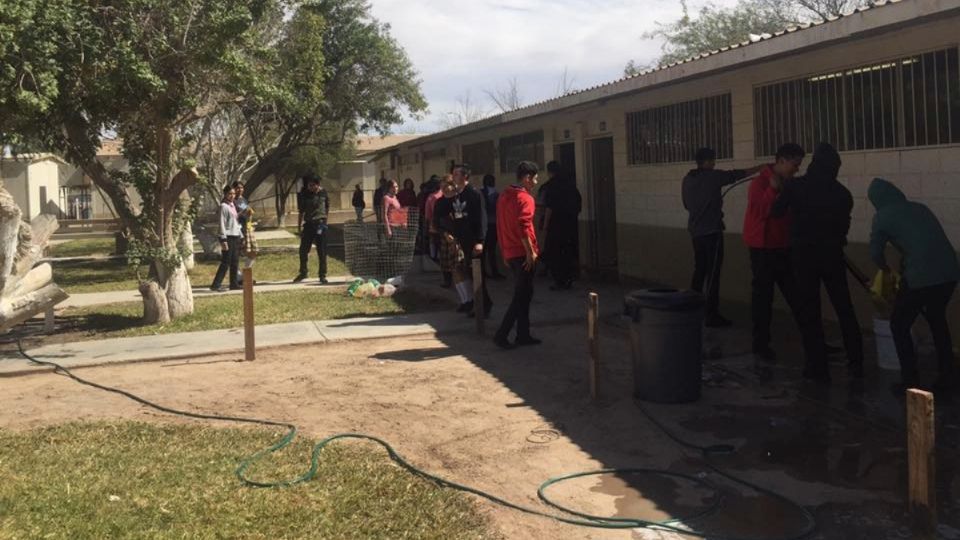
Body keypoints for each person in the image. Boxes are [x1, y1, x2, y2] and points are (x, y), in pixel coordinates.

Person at [771, 142, 863, 382]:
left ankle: (816, 367)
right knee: (844, 307)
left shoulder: (795, 186)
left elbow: (776, 212)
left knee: (810, 310)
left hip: (804, 256)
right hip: (833, 256)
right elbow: (844, 227)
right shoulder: (843, 194)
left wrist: (778, 190)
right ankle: (857, 360)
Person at [869, 178, 960, 394]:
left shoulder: (882, 216)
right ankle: (948, 375)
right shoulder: (919, 207)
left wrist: (885, 269)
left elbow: (875, 252)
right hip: (949, 272)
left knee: (899, 324)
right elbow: (922, 241)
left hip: (921, 276)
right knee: (937, 320)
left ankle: (910, 381)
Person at [682, 148, 764, 326]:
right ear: (707, 161)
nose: (714, 163)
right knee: (713, 274)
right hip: (712, 233)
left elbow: (687, 205)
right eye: (712, 161)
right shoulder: (713, 176)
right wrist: (761, 168)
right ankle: (711, 315)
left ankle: (692, 309)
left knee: (700, 271)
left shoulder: (687, 179)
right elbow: (737, 174)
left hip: (695, 233)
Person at [743, 143, 805, 364]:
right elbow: (759, 212)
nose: (797, 169)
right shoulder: (760, 183)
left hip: (784, 246)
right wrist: (772, 191)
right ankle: (760, 345)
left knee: (797, 296)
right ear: (781, 161)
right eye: (794, 164)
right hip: (763, 248)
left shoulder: (791, 184)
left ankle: (812, 340)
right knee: (763, 297)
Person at [494, 161, 541, 349]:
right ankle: (502, 334)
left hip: (511, 252)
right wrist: (530, 253)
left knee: (525, 294)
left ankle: (523, 333)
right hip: (522, 253)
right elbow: (523, 226)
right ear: (527, 178)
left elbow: (500, 224)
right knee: (521, 295)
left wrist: (504, 252)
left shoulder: (504, 196)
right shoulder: (525, 198)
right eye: (535, 178)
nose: (536, 182)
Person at [452, 163, 492, 318]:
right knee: (469, 274)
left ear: (465, 176)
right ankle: (482, 304)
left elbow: (482, 218)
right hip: (463, 241)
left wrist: (480, 241)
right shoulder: (457, 194)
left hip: (474, 241)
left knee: (478, 275)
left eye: (457, 174)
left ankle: (483, 307)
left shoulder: (474, 194)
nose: (454, 176)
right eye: (453, 174)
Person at [543, 164, 582, 291]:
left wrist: (545, 225)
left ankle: (559, 280)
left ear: (550, 172)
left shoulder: (552, 186)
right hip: (570, 225)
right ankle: (569, 278)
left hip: (556, 226)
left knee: (554, 253)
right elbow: (578, 204)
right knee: (568, 252)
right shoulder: (570, 186)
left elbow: (549, 207)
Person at [435, 177, 470, 309]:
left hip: (459, 238)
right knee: (454, 271)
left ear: (452, 185)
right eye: (441, 187)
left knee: (460, 270)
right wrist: (444, 233)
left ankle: (469, 300)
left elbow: (464, 220)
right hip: (446, 239)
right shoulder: (439, 202)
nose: (443, 189)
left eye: (446, 186)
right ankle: (463, 301)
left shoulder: (459, 200)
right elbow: (436, 222)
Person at [294, 174, 330, 284]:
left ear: (317, 185)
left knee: (322, 251)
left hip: (320, 225)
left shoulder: (324, 193)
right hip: (309, 225)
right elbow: (301, 212)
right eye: (309, 185)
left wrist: (325, 222)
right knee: (303, 250)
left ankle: (322, 275)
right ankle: (303, 272)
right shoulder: (305, 194)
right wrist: (299, 227)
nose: (310, 187)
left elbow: (327, 207)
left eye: (312, 185)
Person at [210, 185, 241, 292]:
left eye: (233, 194)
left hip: (236, 236)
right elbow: (222, 223)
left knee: (235, 261)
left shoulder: (233, 205)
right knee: (226, 262)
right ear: (225, 194)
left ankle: (234, 283)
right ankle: (216, 284)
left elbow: (235, 222)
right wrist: (223, 239)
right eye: (230, 194)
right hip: (228, 237)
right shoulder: (223, 206)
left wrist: (240, 234)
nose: (232, 196)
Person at [535, 163, 560, 277]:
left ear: (548, 172)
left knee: (546, 246)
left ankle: (547, 269)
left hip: (548, 222)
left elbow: (541, 205)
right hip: (563, 222)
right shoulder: (567, 184)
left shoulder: (546, 187)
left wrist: (543, 224)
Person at [480, 174, 505, 280]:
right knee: (491, 250)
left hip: (482, 224)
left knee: (483, 250)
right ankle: (494, 272)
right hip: (493, 224)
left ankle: (482, 271)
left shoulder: (480, 192)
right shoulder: (496, 194)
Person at [232, 181, 252, 286]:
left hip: (246, 229)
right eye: (238, 188)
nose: (240, 190)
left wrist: (249, 215)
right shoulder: (232, 201)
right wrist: (242, 213)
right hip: (236, 230)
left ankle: (245, 275)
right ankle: (238, 278)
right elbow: (233, 216)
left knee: (252, 252)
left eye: (242, 187)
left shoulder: (243, 200)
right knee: (236, 255)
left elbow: (247, 214)